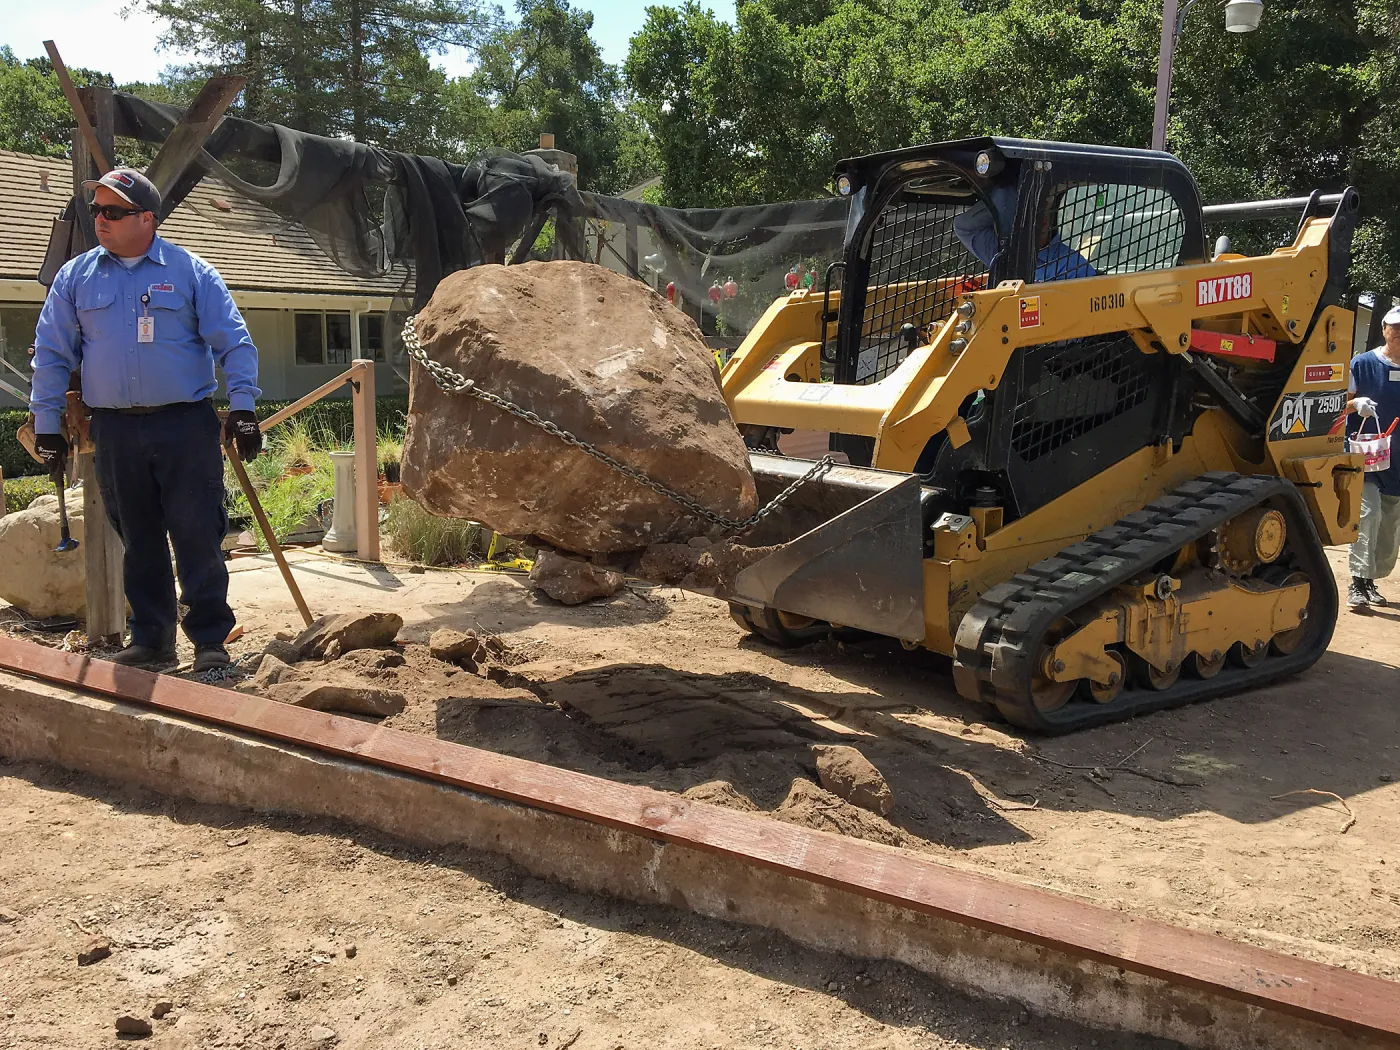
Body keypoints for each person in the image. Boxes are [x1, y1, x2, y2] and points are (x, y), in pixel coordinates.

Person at [29, 168, 263, 671]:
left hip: (184, 425)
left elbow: (234, 342)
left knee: (198, 533)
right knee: (138, 539)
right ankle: (152, 639)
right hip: (114, 430)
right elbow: (50, 352)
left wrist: (243, 408)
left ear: (147, 218)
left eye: (113, 211)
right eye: (96, 210)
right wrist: (46, 422)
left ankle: (209, 640)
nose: (100, 220)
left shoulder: (191, 272)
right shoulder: (76, 277)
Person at [1345, 305, 1400, 611]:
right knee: (1369, 513)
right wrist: (1355, 405)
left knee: (1390, 525)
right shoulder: (1362, 364)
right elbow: (1338, 404)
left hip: (1398, 460)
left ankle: (1370, 580)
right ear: (1384, 329)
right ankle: (1357, 580)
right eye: (1397, 328)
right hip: (1365, 457)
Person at [954, 185, 1095, 282]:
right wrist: (1005, 200)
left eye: (1017, 222)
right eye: (1008, 223)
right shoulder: (1002, 254)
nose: (1009, 230)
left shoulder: (1073, 266)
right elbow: (964, 226)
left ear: (1043, 221)